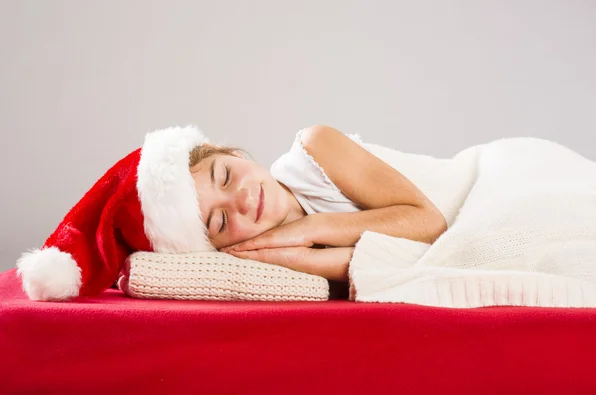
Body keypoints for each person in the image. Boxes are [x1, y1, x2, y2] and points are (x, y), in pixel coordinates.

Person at [16, 124, 460, 301]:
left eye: (225, 175)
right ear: (220, 248)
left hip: (485, 186)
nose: (245, 200)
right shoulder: (264, 256)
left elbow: (430, 222)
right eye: (220, 221)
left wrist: (311, 228)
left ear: (231, 152)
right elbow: (379, 270)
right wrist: (296, 250)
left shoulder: (315, 149)